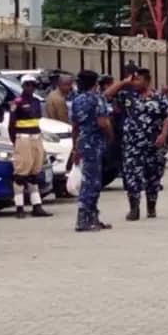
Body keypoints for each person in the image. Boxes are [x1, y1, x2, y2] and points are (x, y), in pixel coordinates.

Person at [105, 68, 168, 221]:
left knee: (154, 177)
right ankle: (134, 208)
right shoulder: (128, 96)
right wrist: (124, 82)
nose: (135, 82)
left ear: (147, 81)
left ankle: (151, 206)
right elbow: (107, 95)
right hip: (132, 145)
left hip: (154, 144)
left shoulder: (158, 98)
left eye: (138, 79)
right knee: (132, 177)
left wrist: (164, 134)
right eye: (134, 80)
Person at [71, 69, 114, 231]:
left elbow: (74, 127)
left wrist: (75, 147)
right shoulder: (97, 99)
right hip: (95, 144)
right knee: (92, 183)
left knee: (89, 180)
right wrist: (110, 137)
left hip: (83, 143)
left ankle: (92, 217)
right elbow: (103, 122)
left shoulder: (77, 100)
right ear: (95, 84)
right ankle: (84, 219)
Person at [9, 75, 53, 218]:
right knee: (20, 174)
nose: (30, 87)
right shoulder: (17, 102)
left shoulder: (35, 101)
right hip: (23, 138)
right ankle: (19, 207)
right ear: (22, 86)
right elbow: (11, 125)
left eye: (33, 85)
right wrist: (15, 141)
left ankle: (37, 205)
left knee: (34, 173)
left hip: (36, 137)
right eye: (27, 85)